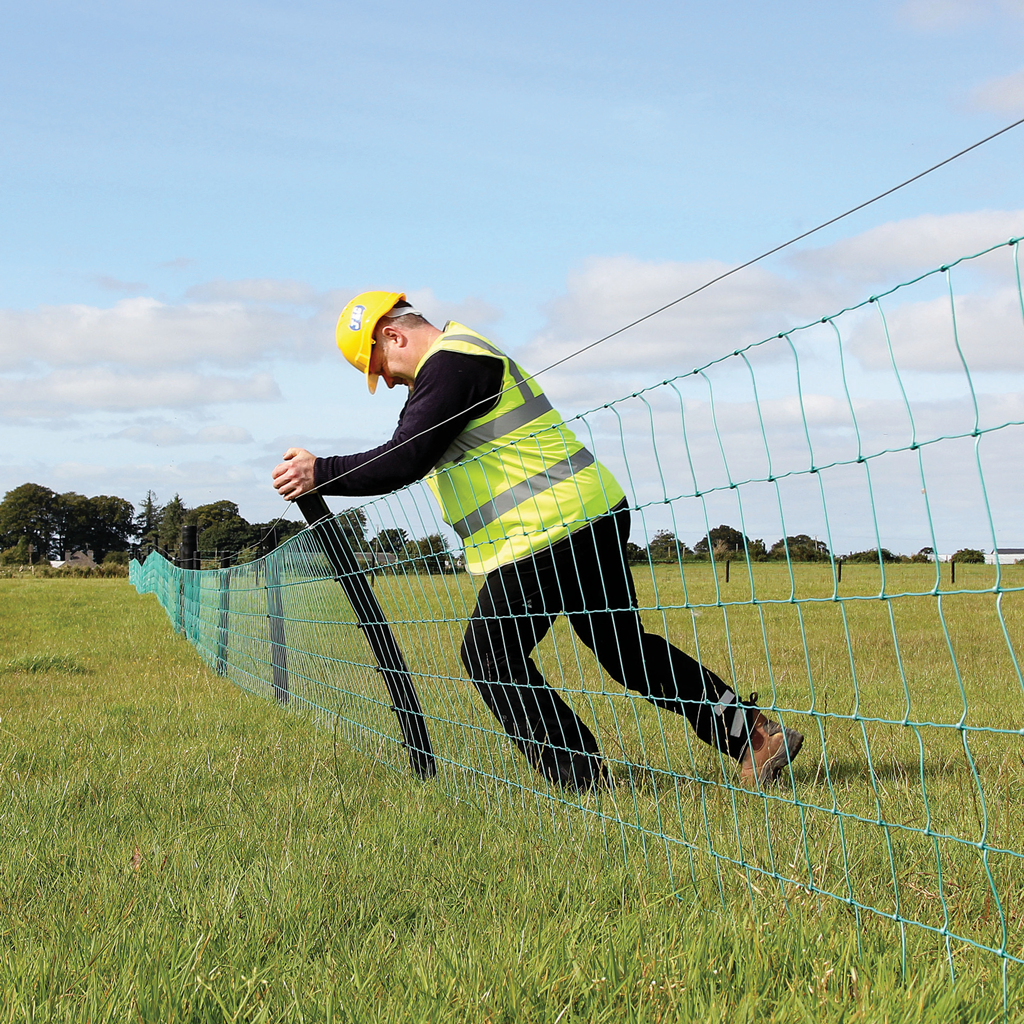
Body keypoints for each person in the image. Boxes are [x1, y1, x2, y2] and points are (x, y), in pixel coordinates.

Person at [272, 291, 803, 790]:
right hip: (583, 514)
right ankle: (755, 738)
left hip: (548, 529)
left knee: (489, 654)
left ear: (392, 336)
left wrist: (321, 471)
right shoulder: (458, 363)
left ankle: (581, 780)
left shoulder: (453, 366)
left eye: (378, 369)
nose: (385, 382)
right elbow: (411, 450)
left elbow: (403, 458)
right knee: (625, 652)